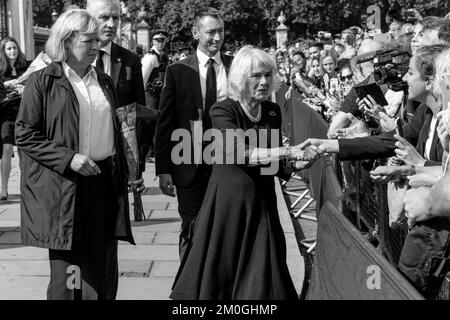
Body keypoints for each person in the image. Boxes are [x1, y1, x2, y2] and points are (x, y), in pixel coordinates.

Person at [170, 46, 313, 300]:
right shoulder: (224, 110)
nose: (264, 81)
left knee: (266, 282)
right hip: (229, 208)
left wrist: (293, 165)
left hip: (263, 207)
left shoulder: (271, 111)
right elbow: (240, 152)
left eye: (268, 75)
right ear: (241, 77)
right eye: (256, 75)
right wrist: (289, 152)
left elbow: (271, 162)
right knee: (223, 283)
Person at [14, 9, 135, 300]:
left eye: (97, 41)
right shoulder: (44, 80)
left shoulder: (103, 81)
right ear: (67, 42)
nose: (96, 47)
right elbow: (25, 134)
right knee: (68, 274)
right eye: (88, 41)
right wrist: (69, 158)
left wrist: (130, 169)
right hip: (64, 186)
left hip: (103, 183)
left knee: (100, 268)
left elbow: (118, 127)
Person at [155, 8, 233, 260]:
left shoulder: (237, 67)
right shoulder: (177, 71)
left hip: (229, 163)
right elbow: (165, 122)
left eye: (220, 31)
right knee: (192, 228)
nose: (217, 38)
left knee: (225, 229)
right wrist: (163, 169)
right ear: (195, 33)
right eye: (211, 32)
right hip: (189, 163)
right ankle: (188, 289)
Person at [86, 0, 146, 173]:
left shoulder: (130, 61)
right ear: (89, 18)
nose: (111, 24)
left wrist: (135, 166)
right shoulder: (71, 59)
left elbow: (138, 113)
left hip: (116, 161)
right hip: (80, 158)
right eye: (104, 17)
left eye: (116, 18)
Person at [0, 36, 29, 200]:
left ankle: (25, 187)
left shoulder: (25, 68)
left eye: (14, 48)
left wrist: (22, 89)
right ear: (4, 51)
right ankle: (4, 189)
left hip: (24, 113)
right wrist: (7, 86)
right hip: (6, 115)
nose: (12, 51)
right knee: (7, 149)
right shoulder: (1, 72)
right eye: (9, 48)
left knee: (25, 152)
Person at [139, 30, 170, 164]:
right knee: (149, 125)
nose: (159, 42)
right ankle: (147, 154)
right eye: (157, 40)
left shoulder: (162, 55)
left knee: (157, 124)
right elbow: (142, 79)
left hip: (158, 96)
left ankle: (153, 153)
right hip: (150, 96)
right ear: (152, 41)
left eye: (162, 40)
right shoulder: (150, 57)